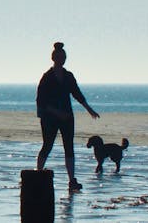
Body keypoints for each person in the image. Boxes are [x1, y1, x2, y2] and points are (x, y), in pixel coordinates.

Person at [35, 42, 99, 192]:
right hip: (50, 118)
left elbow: (77, 93)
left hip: (67, 117)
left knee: (69, 147)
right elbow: (41, 101)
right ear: (53, 58)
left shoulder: (68, 76)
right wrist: (57, 113)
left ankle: (72, 180)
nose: (62, 59)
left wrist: (89, 109)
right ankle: (38, 173)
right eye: (59, 56)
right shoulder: (47, 77)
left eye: (64, 57)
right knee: (47, 145)